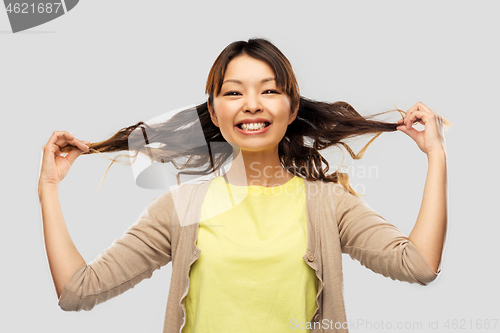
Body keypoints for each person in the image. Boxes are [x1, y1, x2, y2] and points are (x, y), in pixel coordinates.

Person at [38, 38, 448, 333]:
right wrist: (49, 190)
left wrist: (436, 156)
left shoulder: (328, 205)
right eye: (233, 93)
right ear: (215, 114)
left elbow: (419, 265)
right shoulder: (182, 208)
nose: (252, 104)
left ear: (291, 109)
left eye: (269, 90)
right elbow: (78, 291)